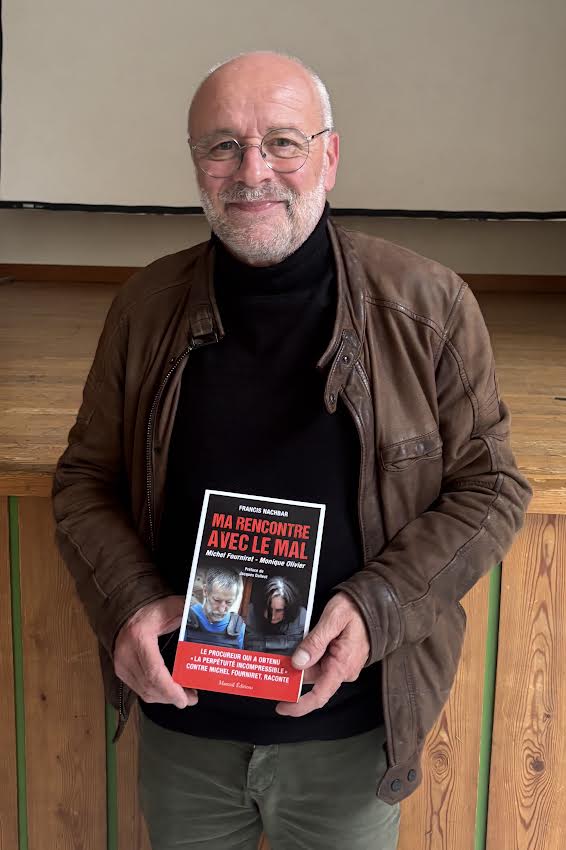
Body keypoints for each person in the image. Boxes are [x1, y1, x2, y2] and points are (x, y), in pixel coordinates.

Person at [52, 50, 532, 850]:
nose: (253, 171)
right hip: (185, 732)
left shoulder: (428, 304)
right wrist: (129, 601)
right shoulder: (143, 309)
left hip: (352, 738)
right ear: (196, 164)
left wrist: (376, 609)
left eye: (283, 141)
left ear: (330, 156)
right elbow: (83, 482)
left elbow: (491, 489)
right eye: (223, 146)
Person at [184, 566, 245, 649]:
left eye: (229, 602)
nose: (221, 610)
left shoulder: (239, 628)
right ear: (205, 591)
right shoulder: (185, 618)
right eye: (217, 600)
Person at [244, 576, 306, 655]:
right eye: (268, 609)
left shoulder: (301, 617)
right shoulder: (249, 613)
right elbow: (251, 647)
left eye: (279, 610)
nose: (272, 616)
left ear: (289, 608)